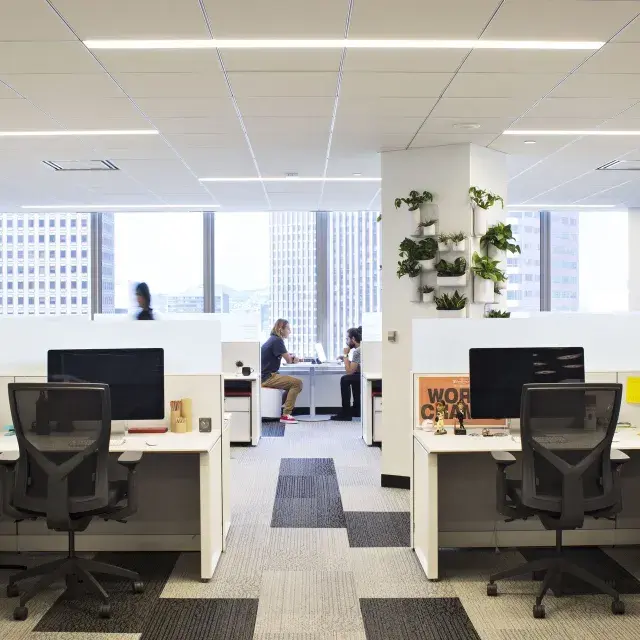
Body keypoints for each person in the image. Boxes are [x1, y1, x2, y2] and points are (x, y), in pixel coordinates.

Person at [261, 319, 303, 425]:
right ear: (281, 329)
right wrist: (294, 359)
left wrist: (291, 357)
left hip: (265, 375)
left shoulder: (273, 339)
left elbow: (286, 356)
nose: (290, 331)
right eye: (288, 328)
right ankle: (286, 414)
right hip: (267, 377)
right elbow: (288, 360)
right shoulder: (277, 340)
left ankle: (279, 409)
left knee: (292, 384)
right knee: (297, 383)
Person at [331, 326, 362, 421]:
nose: (346, 341)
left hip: (366, 377)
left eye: (347, 339)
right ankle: (357, 409)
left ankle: (346, 413)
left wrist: (345, 355)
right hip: (364, 375)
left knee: (345, 379)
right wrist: (345, 359)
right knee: (354, 376)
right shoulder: (362, 348)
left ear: (353, 339)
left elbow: (349, 372)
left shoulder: (357, 351)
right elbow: (355, 368)